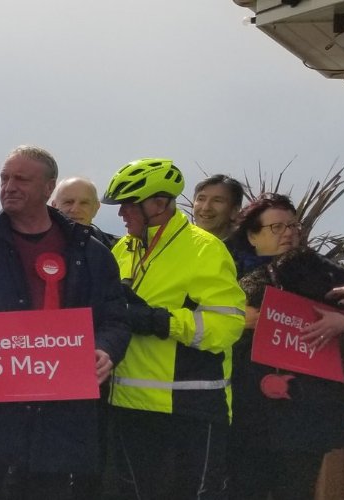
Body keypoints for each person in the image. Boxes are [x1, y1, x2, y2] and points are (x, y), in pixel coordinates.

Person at [0, 145, 130, 499]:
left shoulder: (90, 251)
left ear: (48, 188)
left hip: (60, 421)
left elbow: (115, 318)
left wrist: (106, 349)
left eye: (21, 179)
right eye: (4, 178)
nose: (8, 186)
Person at [101, 158, 247, 499]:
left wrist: (160, 321)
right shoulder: (123, 248)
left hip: (191, 404)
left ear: (160, 204)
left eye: (128, 205)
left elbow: (227, 326)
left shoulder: (204, 249)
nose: (122, 214)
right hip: (130, 405)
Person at [226, 194, 344, 500]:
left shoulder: (325, 271)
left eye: (293, 225)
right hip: (246, 410)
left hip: (304, 415)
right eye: (276, 227)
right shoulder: (228, 276)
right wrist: (237, 320)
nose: (289, 233)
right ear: (252, 236)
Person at [50, 177, 118, 248]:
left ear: (96, 208)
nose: (75, 210)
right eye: (68, 202)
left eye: (84, 203)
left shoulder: (116, 248)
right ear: (54, 206)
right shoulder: (39, 244)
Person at [192, 174, 246, 242]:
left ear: (234, 211)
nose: (206, 207)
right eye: (201, 199)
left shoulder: (244, 250)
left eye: (217, 201)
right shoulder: (179, 240)